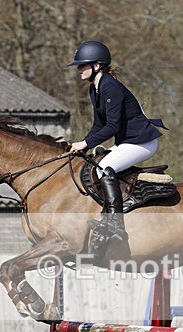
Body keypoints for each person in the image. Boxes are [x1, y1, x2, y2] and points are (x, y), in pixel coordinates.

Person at [67, 40, 166, 240]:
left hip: (142, 143)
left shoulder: (110, 87)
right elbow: (99, 125)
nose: (79, 70)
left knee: (104, 168)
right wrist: (83, 144)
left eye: (83, 65)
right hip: (127, 142)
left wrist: (85, 143)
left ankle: (115, 223)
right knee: (94, 164)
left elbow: (112, 127)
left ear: (97, 65)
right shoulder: (95, 88)